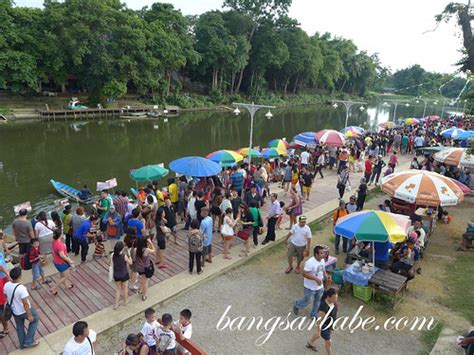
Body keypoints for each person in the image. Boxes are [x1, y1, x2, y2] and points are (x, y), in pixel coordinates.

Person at [4, 267, 40, 348]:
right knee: (35, 320)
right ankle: (29, 341)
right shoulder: (21, 288)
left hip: (15, 311)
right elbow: (25, 304)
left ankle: (22, 344)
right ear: (20, 277)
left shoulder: (6, 285)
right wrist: (29, 315)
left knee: (19, 326)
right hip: (24, 311)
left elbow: (6, 295)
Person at [293, 246, 328, 319]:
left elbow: (323, 269)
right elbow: (304, 273)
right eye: (321, 253)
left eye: (323, 253)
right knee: (307, 300)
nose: (323, 254)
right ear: (316, 254)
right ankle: (297, 304)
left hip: (319, 286)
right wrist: (316, 279)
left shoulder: (322, 260)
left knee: (318, 300)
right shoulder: (310, 262)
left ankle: (314, 314)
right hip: (309, 287)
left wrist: (326, 276)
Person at [306, 288, 339, 354]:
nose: (336, 300)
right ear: (328, 297)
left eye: (336, 298)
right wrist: (319, 330)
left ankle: (310, 342)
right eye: (334, 298)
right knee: (328, 341)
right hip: (324, 326)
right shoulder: (323, 306)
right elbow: (319, 320)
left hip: (329, 325)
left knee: (318, 335)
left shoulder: (333, 302)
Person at [51, 229, 74, 295]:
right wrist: (69, 260)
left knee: (62, 276)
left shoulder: (54, 241)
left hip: (56, 261)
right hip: (61, 263)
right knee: (66, 276)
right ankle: (54, 288)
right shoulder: (59, 245)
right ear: (60, 235)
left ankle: (66, 285)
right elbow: (62, 255)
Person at [111, 241, 132, 309]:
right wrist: (129, 255)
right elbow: (130, 262)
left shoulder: (113, 255)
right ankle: (125, 301)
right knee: (125, 288)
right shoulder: (123, 256)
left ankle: (116, 304)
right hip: (124, 274)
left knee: (118, 289)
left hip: (116, 274)